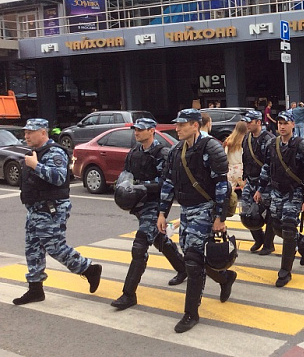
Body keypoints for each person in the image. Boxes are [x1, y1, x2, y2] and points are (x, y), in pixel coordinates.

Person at [157, 109, 237, 333]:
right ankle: (224, 278)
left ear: (195, 125)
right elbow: (168, 184)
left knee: (192, 261)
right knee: (195, 259)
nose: (177, 128)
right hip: (186, 210)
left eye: (182, 125)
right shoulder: (175, 151)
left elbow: (222, 184)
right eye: (177, 124)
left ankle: (191, 313)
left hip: (206, 210)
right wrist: (162, 213)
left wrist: (220, 217)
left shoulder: (211, 148)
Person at [13, 118, 102, 305]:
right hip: (36, 208)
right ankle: (35, 289)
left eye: (30, 132)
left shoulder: (54, 152)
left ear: (43, 133)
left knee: (55, 247)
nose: (26, 135)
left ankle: (89, 269)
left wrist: (35, 165)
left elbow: (59, 177)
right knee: (33, 249)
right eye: (25, 132)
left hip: (50, 208)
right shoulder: (35, 152)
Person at [110, 118, 187, 311]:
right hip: (139, 204)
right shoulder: (134, 153)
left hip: (154, 205)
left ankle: (129, 294)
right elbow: (125, 173)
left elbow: (166, 183)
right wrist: (124, 185)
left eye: (141, 130)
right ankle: (183, 268)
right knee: (160, 239)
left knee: (140, 246)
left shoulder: (162, 154)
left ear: (152, 131)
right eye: (135, 129)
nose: (137, 133)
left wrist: (142, 186)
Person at [253, 110, 304, 287]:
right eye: (279, 123)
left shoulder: (303, 146)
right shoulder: (272, 145)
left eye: (285, 123)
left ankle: (285, 272)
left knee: (289, 229)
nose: (282, 126)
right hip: (276, 191)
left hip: (294, 192)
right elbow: (267, 168)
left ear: (292, 125)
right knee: (277, 227)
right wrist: (260, 189)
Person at [241, 110, 275, 255]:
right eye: (246, 122)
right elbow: (246, 157)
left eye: (250, 122)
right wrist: (244, 177)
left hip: (266, 183)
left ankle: (268, 244)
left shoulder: (269, 139)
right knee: (247, 212)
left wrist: (261, 188)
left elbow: (270, 165)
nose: (247, 124)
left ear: (259, 122)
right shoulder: (247, 138)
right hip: (250, 180)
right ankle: (258, 239)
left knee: (269, 215)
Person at [223, 120, 247, 198]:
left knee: (229, 192)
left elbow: (225, 155)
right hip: (241, 169)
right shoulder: (244, 142)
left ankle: (228, 207)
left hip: (230, 169)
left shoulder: (228, 141)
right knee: (246, 191)